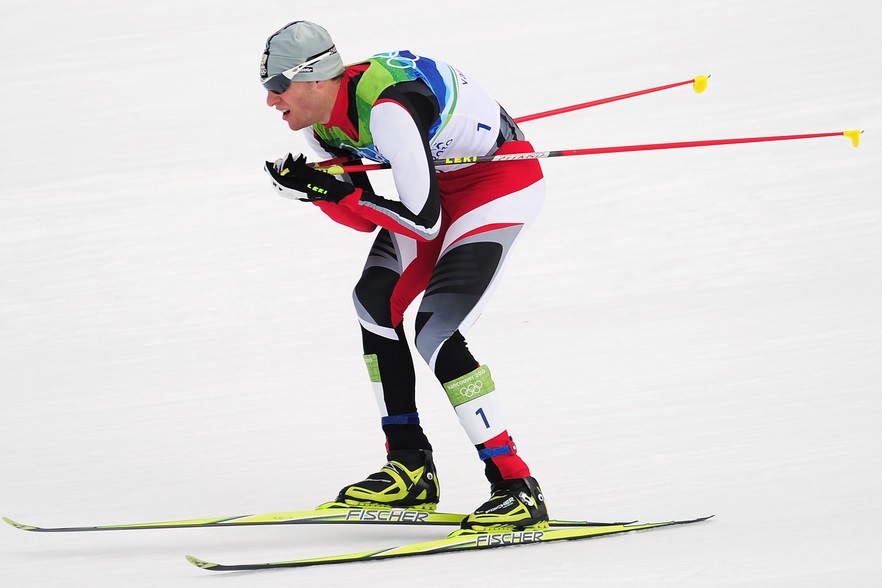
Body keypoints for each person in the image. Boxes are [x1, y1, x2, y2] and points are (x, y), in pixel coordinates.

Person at [261, 20, 548, 532]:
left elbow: (423, 221)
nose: (271, 100)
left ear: (315, 80)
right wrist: (317, 192)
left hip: (495, 183)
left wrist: (336, 191)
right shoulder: (319, 125)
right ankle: (410, 466)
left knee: (435, 330)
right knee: (374, 303)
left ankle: (516, 487)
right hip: (435, 189)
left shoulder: (390, 111)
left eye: (277, 87)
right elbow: (363, 217)